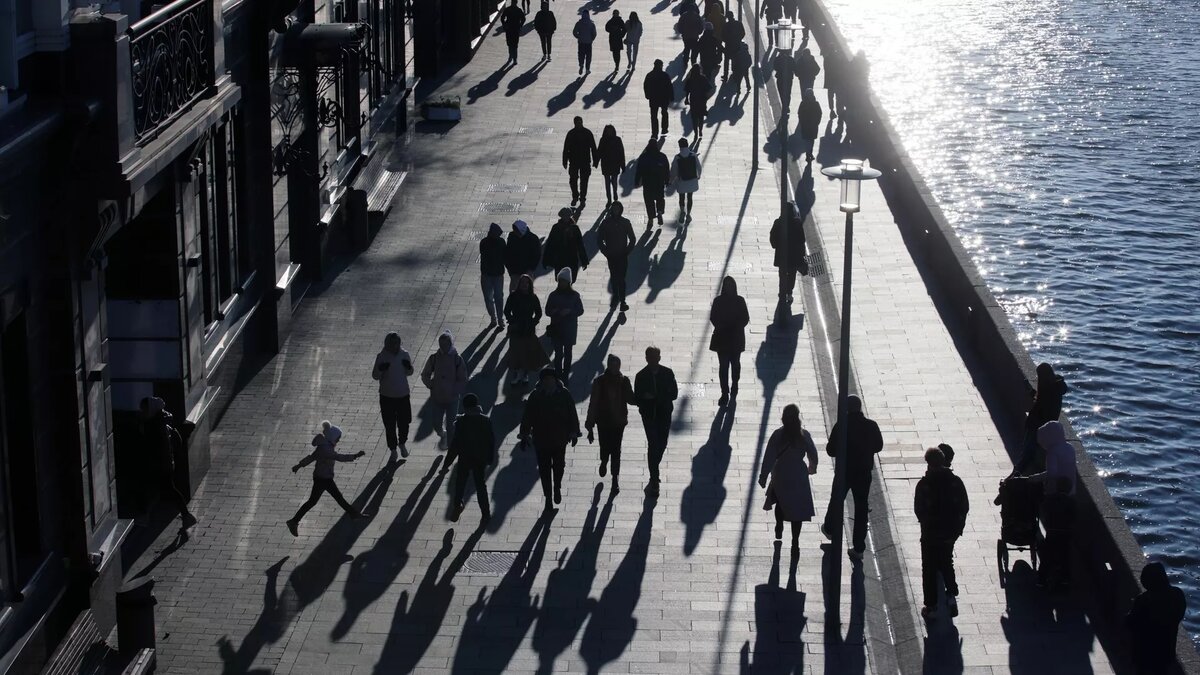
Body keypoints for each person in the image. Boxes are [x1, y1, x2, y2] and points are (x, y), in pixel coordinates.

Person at [821, 395, 884, 560]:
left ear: (847, 408)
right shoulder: (871, 425)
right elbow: (879, 445)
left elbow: (830, 450)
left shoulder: (842, 425)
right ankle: (858, 547)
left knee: (836, 499)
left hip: (844, 471)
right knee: (861, 507)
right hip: (863, 472)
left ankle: (830, 528)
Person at [914, 447, 969, 619]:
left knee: (929, 568)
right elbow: (964, 505)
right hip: (949, 532)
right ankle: (951, 596)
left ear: (929, 463)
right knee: (946, 561)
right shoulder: (955, 481)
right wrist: (958, 527)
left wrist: (925, 522)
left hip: (931, 533)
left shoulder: (924, 484)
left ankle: (931, 606)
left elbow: (919, 509)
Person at [287, 422, 367, 535]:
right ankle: (293, 521)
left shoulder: (325, 446)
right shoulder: (326, 449)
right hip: (323, 479)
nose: (339, 440)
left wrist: (299, 465)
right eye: (338, 438)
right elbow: (339, 457)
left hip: (322, 477)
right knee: (334, 498)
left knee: (317, 501)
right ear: (333, 437)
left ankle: (294, 521)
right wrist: (355, 456)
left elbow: (311, 458)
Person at [759, 404, 819, 553]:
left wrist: (763, 475)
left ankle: (779, 524)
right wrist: (812, 468)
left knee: (780, 502)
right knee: (797, 509)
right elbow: (813, 454)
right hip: (798, 474)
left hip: (781, 473)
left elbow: (769, 457)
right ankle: (795, 541)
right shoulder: (803, 435)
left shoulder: (777, 435)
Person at [520, 368, 581, 510]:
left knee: (559, 467)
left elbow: (572, 413)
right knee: (544, 470)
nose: (548, 381)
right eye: (545, 379)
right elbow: (527, 416)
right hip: (541, 439)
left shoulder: (564, 394)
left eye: (550, 379)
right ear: (541, 381)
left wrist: (574, 432)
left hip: (560, 438)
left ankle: (557, 486)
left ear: (555, 380)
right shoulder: (535, 396)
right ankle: (548, 497)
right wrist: (524, 434)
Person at [139, 397, 197, 528]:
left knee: (162, 489)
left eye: (144, 409)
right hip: (164, 463)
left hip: (160, 465)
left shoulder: (155, 426)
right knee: (165, 489)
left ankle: (186, 515)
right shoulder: (159, 421)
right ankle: (186, 515)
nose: (142, 412)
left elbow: (154, 447)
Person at [586, 354, 635, 494]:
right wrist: (590, 426)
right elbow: (593, 403)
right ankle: (603, 461)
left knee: (616, 450)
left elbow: (630, 398)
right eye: (612, 365)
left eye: (617, 365)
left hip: (618, 422)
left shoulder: (624, 381)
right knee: (604, 446)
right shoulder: (599, 381)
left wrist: (643, 399)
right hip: (604, 421)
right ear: (608, 365)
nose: (615, 368)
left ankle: (615, 480)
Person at [1127, 562, 1187, 675]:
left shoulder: (1143, 599)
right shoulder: (1177, 594)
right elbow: (1178, 615)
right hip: (1166, 650)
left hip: (1144, 652)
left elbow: (1131, 623)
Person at [634, 346, 678, 494]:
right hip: (649, 416)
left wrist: (659, 397)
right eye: (650, 357)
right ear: (646, 358)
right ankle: (654, 478)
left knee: (662, 443)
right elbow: (637, 397)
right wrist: (645, 399)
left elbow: (674, 394)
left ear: (659, 358)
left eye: (656, 357)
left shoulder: (667, 373)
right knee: (653, 445)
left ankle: (654, 467)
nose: (653, 360)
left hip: (664, 414)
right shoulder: (641, 376)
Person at [448, 393, 496, 523]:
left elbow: (455, 444)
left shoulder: (461, 422)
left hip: (465, 457)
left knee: (460, 483)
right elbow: (491, 441)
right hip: (480, 459)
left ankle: (458, 506)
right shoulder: (485, 420)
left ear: (464, 407)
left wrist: (447, 462)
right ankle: (485, 514)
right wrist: (490, 458)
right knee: (480, 486)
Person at [1016, 362, 1069, 474]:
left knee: (1027, 452)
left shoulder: (1048, 390)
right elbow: (1041, 400)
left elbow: (1040, 405)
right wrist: (1031, 391)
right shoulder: (1055, 389)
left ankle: (1016, 475)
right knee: (1029, 453)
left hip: (1037, 426)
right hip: (1046, 426)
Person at [421, 331, 468, 450]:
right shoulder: (434, 358)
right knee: (436, 423)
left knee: (451, 424)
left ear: (450, 344)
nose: (442, 347)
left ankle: (450, 447)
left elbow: (462, 378)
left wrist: (455, 390)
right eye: (440, 344)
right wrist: (431, 385)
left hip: (452, 398)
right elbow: (425, 374)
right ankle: (442, 433)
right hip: (437, 397)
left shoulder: (457, 359)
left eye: (445, 344)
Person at [372, 332, 415, 457]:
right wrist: (381, 369)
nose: (395, 346)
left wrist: (409, 367)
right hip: (387, 396)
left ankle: (402, 443)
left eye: (397, 343)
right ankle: (393, 450)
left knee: (404, 422)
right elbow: (375, 376)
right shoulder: (382, 356)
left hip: (403, 394)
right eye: (392, 343)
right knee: (389, 424)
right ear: (387, 344)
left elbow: (410, 372)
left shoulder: (404, 354)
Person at [709, 276, 749, 406]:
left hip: (735, 338)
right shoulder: (718, 301)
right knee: (724, 366)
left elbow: (745, 318)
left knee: (735, 364)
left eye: (731, 285)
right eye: (727, 286)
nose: (729, 288)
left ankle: (735, 384)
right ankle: (724, 392)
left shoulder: (740, 300)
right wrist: (722, 325)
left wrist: (735, 325)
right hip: (722, 338)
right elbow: (713, 317)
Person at [504, 274, 550, 385]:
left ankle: (524, 374)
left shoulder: (533, 297)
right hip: (516, 328)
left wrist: (533, 323)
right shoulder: (513, 296)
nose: (524, 285)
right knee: (516, 352)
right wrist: (512, 321)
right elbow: (507, 310)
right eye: (522, 283)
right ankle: (516, 374)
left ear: (530, 285)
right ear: (519, 284)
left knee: (526, 352)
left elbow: (538, 312)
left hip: (528, 329)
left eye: (527, 283)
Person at [545, 268, 585, 379]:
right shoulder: (553, 295)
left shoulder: (575, 295)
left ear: (568, 282)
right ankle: (558, 374)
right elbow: (547, 311)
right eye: (560, 281)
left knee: (568, 353)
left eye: (564, 281)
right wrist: (554, 311)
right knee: (558, 353)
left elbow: (581, 310)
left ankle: (565, 374)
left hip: (569, 329)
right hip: (556, 328)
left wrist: (570, 311)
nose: (561, 283)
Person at [597, 201, 636, 311]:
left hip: (622, 255)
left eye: (617, 208)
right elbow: (599, 239)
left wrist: (627, 251)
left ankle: (622, 301)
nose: (616, 210)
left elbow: (632, 239)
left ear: (621, 210)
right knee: (614, 277)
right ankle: (615, 296)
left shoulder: (625, 222)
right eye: (614, 208)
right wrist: (606, 252)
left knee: (622, 278)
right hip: (612, 255)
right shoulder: (606, 223)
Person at [1037, 477, 1074, 591]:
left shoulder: (1050, 499)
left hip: (1052, 532)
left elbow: (1043, 511)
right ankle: (1064, 580)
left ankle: (1041, 580)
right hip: (1064, 533)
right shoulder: (1071, 502)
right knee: (1064, 556)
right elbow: (1074, 518)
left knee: (1047, 556)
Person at [770, 201, 807, 303]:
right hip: (794, 255)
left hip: (781, 255)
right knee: (791, 275)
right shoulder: (797, 223)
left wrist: (776, 246)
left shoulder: (778, 222)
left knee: (782, 274)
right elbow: (802, 240)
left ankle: (782, 291)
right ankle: (789, 292)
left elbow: (773, 238)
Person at [542, 207, 589, 282]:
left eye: (568, 215)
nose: (566, 217)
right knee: (560, 279)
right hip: (559, 258)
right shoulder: (556, 227)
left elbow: (580, 245)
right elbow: (550, 244)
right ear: (561, 216)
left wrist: (584, 261)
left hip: (572, 259)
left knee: (571, 279)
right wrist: (546, 260)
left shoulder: (575, 228)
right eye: (564, 215)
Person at [1030, 420, 1076, 495]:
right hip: (1070, 490)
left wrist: (1034, 478)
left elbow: (1051, 473)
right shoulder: (1070, 448)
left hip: (1055, 490)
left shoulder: (1053, 452)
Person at [563, 116, 598, 206]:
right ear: (574, 123)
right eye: (577, 122)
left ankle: (582, 197)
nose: (578, 124)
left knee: (584, 180)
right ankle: (575, 195)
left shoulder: (587, 133)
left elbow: (593, 147)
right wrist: (565, 161)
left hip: (585, 161)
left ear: (582, 122)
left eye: (580, 122)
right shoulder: (571, 134)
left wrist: (595, 160)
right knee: (573, 180)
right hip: (574, 161)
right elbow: (566, 148)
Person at [634, 139, 670, 226]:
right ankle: (660, 211)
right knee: (660, 198)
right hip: (659, 181)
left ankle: (650, 218)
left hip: (647, 182)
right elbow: (666, 170)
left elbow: (639, 170)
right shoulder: (662, 156)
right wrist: (667, 180)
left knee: (649, 201)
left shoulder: (643, 157)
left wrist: (637, 181)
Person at [480, 223, 508, 328]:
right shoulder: (484, 243)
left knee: (498, 297)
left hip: (497, 275)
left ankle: (499, 319)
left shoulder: (501, 242)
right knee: (489, 298)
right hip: (487, 274)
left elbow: (505, 257)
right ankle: (493, 317)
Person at [669, 136, 702, 219]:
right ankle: (688, 214)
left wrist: (671, 181)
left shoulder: (677, 157)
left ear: (679, 146)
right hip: (692, 180)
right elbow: (699, 167)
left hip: (682, 181)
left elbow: (673, 171)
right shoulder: (693, 155)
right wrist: (698, 176)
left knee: (681, 197)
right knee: (690, 197)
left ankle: (683, 211)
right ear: (687, 145)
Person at [504, 219, 541, 291]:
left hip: (527, 271)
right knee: (514, 291)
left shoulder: (533, 238)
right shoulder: (512, 236)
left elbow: (536, 255)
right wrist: (510, 270)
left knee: (526, 291)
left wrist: (531, 269)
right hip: (515, 271)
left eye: (517, 231)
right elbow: (508, 253)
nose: (516, 232)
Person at [643, 59, 675, 137]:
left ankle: (654, 132)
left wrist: (647, 95)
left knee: (654, 116)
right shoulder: (665, 75)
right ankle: (664, 128)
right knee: (664, 113)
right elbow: (670, 87)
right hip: (664, 98)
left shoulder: (650, 75)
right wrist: (671, 96)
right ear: (661, 66)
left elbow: (645, 85)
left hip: (653, 98)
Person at [596, 124, 626, 205]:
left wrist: (623, 166)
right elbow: (599, 151)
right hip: (606, 164)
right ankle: (609, 198)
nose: (609, 132)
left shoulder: (617, 140)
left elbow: (621, 153)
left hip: (615, 164)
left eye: (610, 131)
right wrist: (596, 161)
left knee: (614, 181)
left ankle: (615, 192)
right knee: (607, 182)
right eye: (608, 131)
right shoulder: (603, 140)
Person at [684, 65, 710, 140]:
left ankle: (696, 133)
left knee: (694, 117)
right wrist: (706, 96)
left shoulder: (690, 79)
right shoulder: (703, 78)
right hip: (702, 100)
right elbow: (708, 88)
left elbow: (687, 90)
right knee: (701, 117)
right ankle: (700, 130)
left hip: (693, 100)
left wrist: (686, 99)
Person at [796, 88, 822, 162]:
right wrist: (817, 122)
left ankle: (808, 154)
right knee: (811, 141)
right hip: (813, 126)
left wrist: (801, 122)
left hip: (805, 126)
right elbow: (819, 114)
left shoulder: (803, 103)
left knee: (807, 141)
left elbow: (799, 113)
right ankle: (809, 154)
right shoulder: (816, 104)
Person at [500, 0, 526, 64]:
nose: (513, 3)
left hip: (513, 29)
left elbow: (523, 18)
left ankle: (514, 57)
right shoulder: (515, 10)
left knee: (513, 44)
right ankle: (511, 56)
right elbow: (502, 18)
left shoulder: (513, 10)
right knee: (510, 43)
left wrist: (505, 24)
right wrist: (520, 25)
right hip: (512, 28)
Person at [721, 10, 745, 80]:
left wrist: (726, 41)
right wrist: (738, 39)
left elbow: (722, 35)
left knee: (727, 60)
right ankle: (735, 73)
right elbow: (743, 33)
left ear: (728, 17)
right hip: (737, 45)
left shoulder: (726, 25)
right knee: (736, 60)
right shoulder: (739, 23)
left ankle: (725, 75)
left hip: (728, 45)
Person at [573, 10, 597, 75]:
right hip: (588, 42)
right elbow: (594, 33)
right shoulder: (591, 24)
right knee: (588, 56)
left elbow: (574, 32)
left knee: (581, 54)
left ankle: (581, 64)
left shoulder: (579, 23)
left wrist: (578, 37)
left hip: (581, 42)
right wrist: (591, 39)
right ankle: (587, 69)